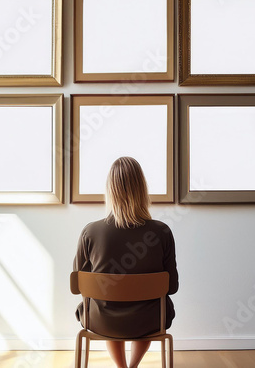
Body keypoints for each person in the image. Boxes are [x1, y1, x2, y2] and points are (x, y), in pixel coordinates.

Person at [73, 156, 179, 368]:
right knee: (152, 307)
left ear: (110, 190)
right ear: (142, 189)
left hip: (102, 321)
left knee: (105, 305)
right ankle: (132, 367)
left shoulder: (90, 231)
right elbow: (172, 287)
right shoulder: (162, 231)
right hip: (149, 320)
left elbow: (78, 285)